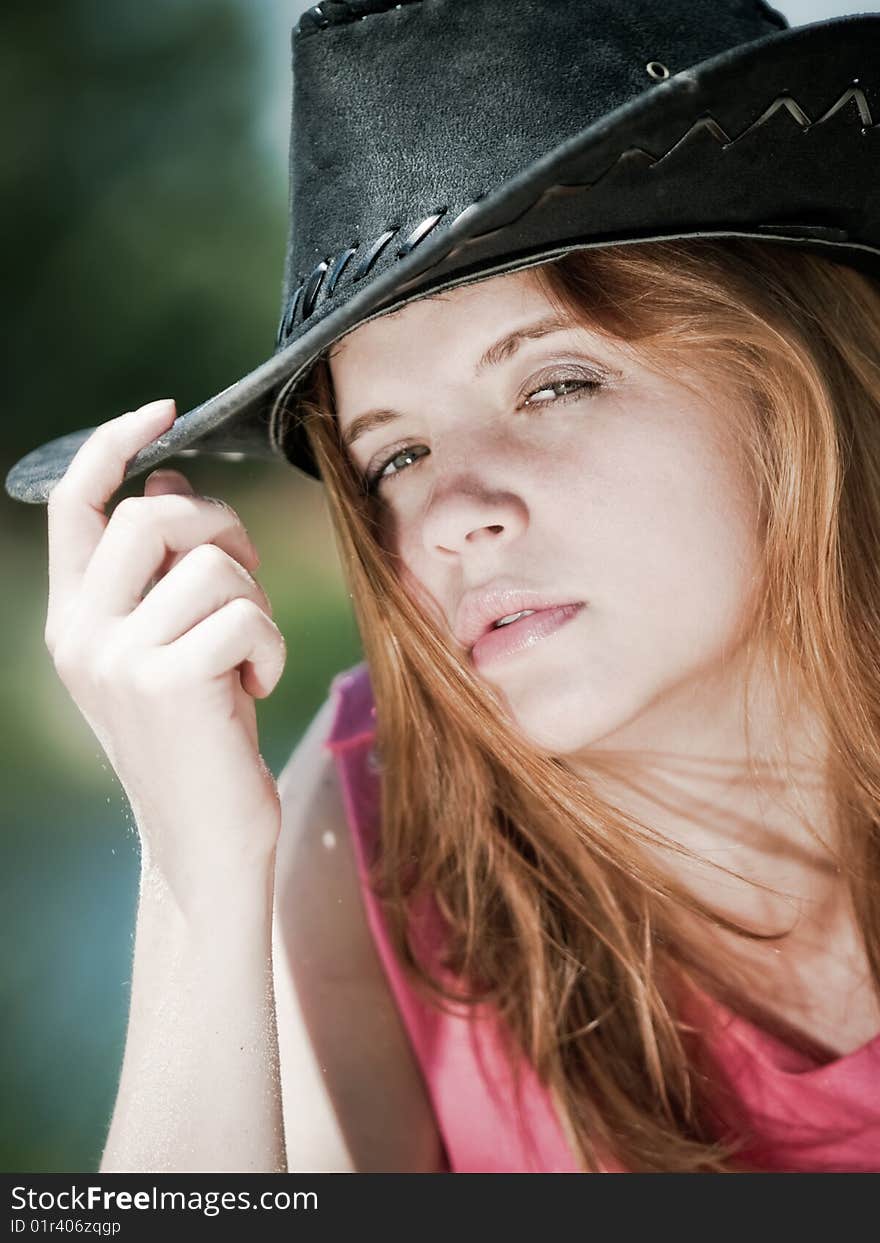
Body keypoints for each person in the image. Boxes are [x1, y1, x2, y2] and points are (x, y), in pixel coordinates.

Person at [8, 0, 880, 1173]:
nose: (458, 515)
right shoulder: (375, 824)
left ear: (790, 377)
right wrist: (197, 878)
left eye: (554, 383)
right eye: (397, 456)